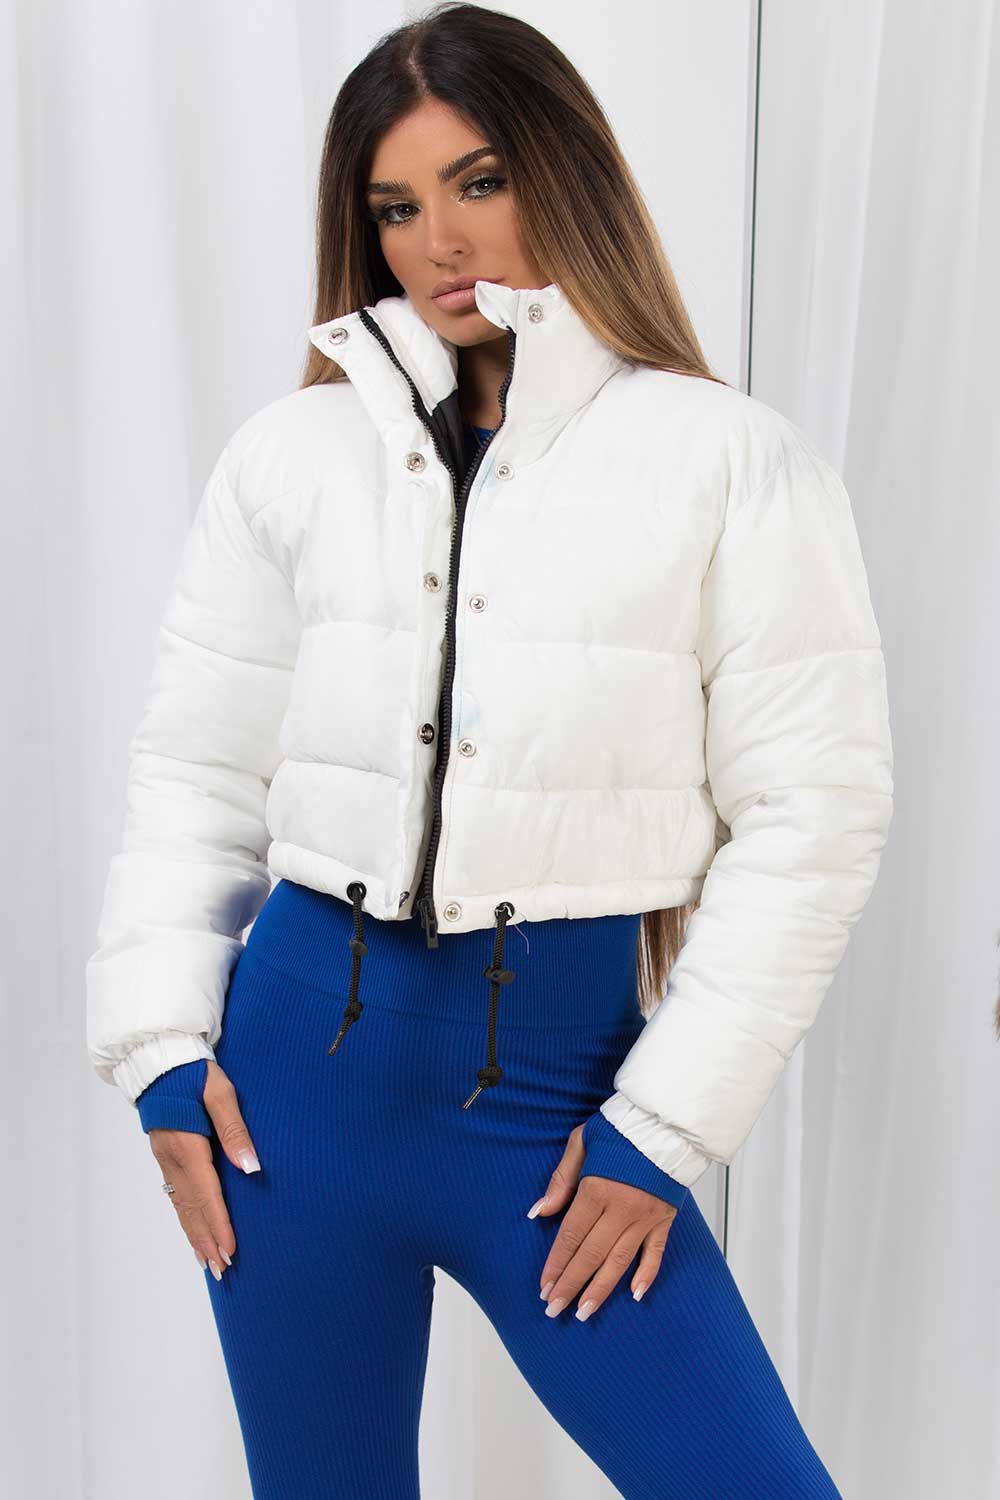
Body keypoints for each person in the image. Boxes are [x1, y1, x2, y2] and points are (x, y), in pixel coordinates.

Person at [85, 4, 893, 1496]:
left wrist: (663, 1131)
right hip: (284, 1111)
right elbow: (195, 777)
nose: (441, 242)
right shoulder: (291, 457)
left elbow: (812, 815)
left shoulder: (727, 460)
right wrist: (157, 1053)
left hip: (556, 1124)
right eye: (396, 207)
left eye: (480, 181)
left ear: (562, 174)